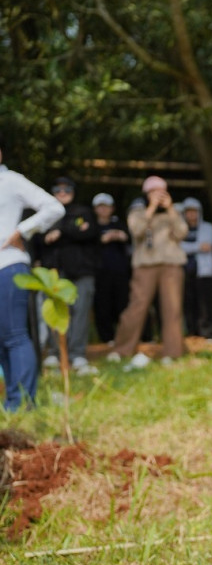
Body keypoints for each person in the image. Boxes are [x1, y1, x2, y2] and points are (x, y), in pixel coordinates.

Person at [0, 133, 66, 410]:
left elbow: (54, 207)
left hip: (9, 264)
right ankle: (13, 401)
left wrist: (22, 230)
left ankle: (24, 402)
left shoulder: (11, 180)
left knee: (15, 334)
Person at [109, 175, 188, 369]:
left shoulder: (174, 211)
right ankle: (122, 348)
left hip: (171, 264)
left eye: (161, 191)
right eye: (153, 191)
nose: (158, 195)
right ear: (146, 193)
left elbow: (182, 232)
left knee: (172, 309)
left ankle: (173, 351)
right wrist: (151, 208)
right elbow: (136, 231)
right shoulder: (137, 211)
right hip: (145, 265)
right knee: (137, 306)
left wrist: (170, 208)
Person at [40, 177, 100, 374]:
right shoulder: (45, 215)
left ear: (73, 192)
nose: (62, 192)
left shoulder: (83, 212)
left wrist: (59, 231)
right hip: (56, 275)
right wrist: (71, 229)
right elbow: (39, 240)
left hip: (82, 272)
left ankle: (77, 354)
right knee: (56, 314)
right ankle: (56, 353)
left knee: (80, 314)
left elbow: (88, 233)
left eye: (67, 189)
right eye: (58, 189)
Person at [92, 193, 131, 345]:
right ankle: (106, 338)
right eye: (100, 206)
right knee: (102, 305)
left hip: (121, 272)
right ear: (95, 209)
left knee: (122, 303)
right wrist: (103, 239)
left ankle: (124, 336)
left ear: (112, 208)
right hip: (100, 272)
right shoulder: (92, 227)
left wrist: (119, 235)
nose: (103, 209)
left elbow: (128, 237)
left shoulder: (120, 224)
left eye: (106, 206)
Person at [179, 197, 212, 338]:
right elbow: (178, 248)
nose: (191, 215)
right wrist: (197, 247)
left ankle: (207, 334)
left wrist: (188, 247)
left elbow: (207, 246)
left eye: (194, 211)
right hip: (185, 271)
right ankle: (191, 333)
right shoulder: (180, 229)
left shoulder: (208, 227)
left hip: (204, 272)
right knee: (188, 303)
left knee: (205, 304)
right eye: (188, 212)